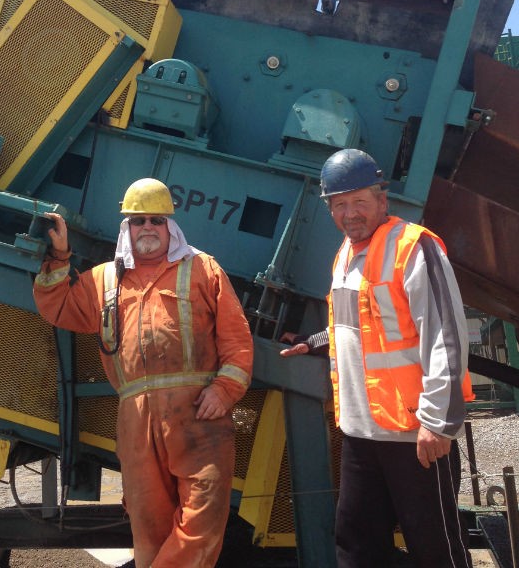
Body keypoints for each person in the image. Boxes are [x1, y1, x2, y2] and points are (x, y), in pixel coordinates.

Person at [34, 177, 253, 568]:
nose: (148, 228)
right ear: (127, 229)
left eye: (156, 219)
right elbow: (59, 307)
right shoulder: (104, 279)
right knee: (148, 524)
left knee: (201, 520)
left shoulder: (202, 269)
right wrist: (60, 254)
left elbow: (237, 341)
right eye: (138, 221)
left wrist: (224, 391)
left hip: (199, 417)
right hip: (136, 422)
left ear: (171, 226)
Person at [281, 148, 474, 568]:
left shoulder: (413, 248)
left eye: (359, 202)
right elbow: (355, 326)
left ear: (382, 201)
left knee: (435, 550)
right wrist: (313, 341)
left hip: (415, 435)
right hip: (361, 433)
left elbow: (447, 337)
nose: (350, 213)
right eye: (340, 204)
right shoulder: (345, 256)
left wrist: (437, 423)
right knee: (356, 545)